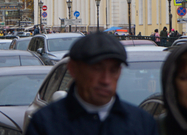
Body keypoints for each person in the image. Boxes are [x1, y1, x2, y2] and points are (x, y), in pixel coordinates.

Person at [25, 33, 157, 135]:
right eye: (97, 68)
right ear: (73, 69)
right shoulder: (45, 123)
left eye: (113, 70)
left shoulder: (142, 122)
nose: (106, 80)